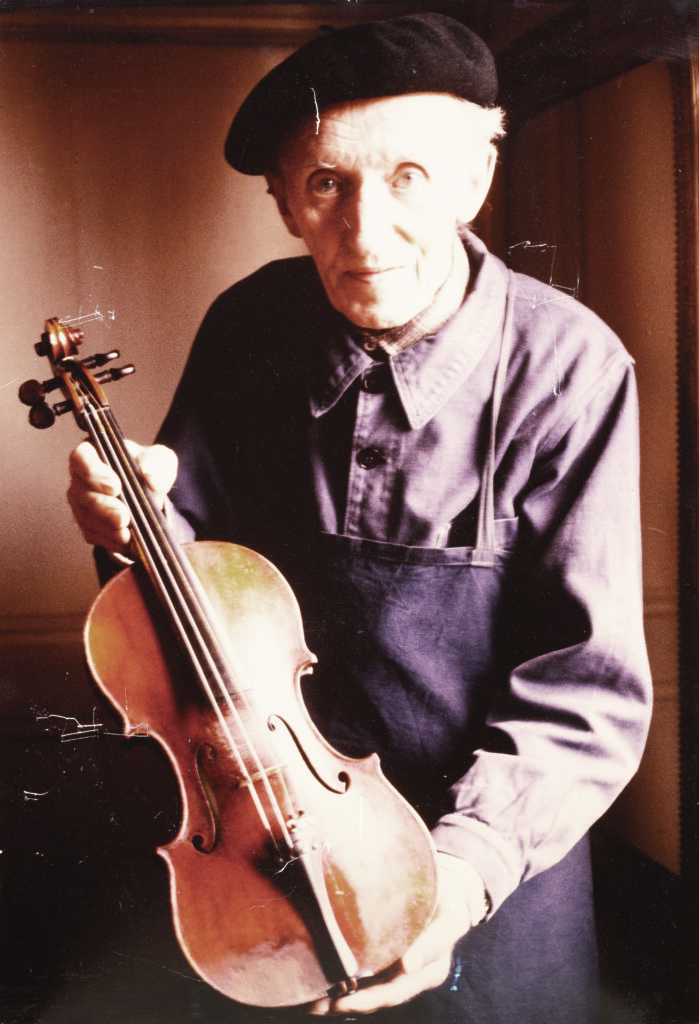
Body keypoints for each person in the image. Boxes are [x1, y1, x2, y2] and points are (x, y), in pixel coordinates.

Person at [67, 13, 652, 1024]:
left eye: (411, 178)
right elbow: (182, 619)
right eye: (327, 184)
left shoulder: (573, 368)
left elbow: (584, 689)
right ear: (286, 202)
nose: (366, 232)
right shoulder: (247, 325)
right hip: (274, 841)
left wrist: (461, 876)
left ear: (477, 175)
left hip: (498, 863)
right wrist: (132, 529)